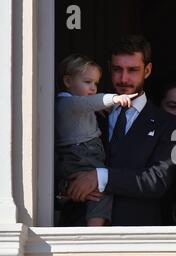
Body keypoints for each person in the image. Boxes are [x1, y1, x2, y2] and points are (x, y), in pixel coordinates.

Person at [65, 34, 176, 226]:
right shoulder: (88, 114)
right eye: (117, 69)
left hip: (135, 238)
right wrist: (67, 187)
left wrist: (100, 176)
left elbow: (157, 180)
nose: (123, 78)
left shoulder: (168, 124)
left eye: (132, 70)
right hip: (77, 233)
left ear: (147, 70)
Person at [54, 53, 138, 227]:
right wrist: (114, 99)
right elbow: (91, 102)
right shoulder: (66, 103)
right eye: (87, 82)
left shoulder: (82, 106)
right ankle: (94, 233)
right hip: (79, 155)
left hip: (86, 155)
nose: (93, 88)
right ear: (68, 81)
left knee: (101, 187)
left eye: (96, 83)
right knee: (102, 189)